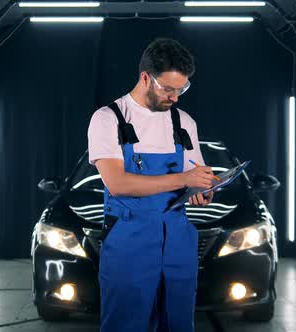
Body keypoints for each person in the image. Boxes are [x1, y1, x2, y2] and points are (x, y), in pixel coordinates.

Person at [87, 38, 215, 331]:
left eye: (181, 89)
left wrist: (203, 188)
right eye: (168, 89)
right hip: (129, 242)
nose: (175, 97)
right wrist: (184, 179)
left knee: (178, 324)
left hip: (178, 242)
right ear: (146, 78)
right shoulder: (108, 120)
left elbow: (195, 176)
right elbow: (117, 183)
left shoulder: (184, 123)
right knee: (125, 324)